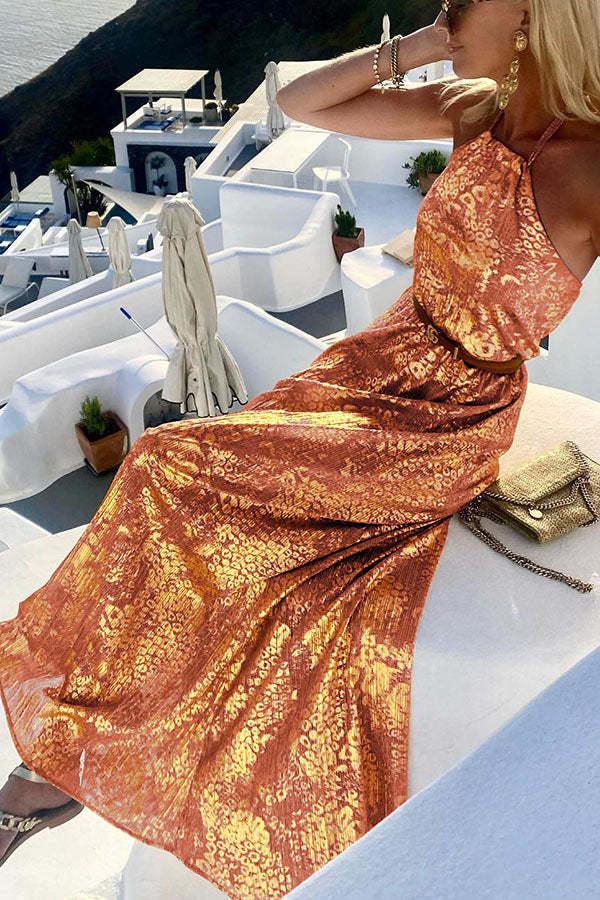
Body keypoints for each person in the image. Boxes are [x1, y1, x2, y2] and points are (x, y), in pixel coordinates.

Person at [0, 1, 598, 896]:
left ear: (532, 16)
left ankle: (54, 772)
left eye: (462, 3)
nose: (446, 12)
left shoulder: (591, 164)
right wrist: (424, 44)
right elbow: (304, 103)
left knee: (165, 468)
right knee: (193, 490)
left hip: (448, 416)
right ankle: (72, 746)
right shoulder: (477, 110)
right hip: (377, 359)